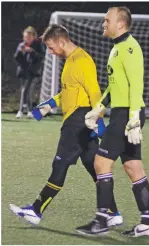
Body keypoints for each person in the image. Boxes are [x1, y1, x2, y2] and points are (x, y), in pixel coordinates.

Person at [9, 24, 123, 228]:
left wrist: (98, 118)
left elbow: (95, 92)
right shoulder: (71, 61)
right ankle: (112, 212)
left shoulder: (82, 60)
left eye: (52, 48)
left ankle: (36, 210)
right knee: (93, 166)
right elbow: (70, 91)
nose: (51, 53)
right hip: (79, 119)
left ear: (62, 41)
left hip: (78, 121)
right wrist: (50, 104)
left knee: (59, 165)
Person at [76, 7, 149, 237]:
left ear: (120, 24)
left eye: (107, 20)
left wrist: (133, 119)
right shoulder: (117, 48)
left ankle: (102, 220)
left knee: (101, 163)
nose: (103, 23)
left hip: (126, 115)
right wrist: (99, 109)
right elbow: (115, 86)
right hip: (123, 113)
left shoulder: (130, 48)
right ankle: (148, 221)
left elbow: (136, 85)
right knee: (133, 167)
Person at [14, 26, 45, 119]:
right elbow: (16, 58)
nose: (27, 39)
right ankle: (30, 111)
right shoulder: (21, 45)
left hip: (33, 72)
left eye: (29, 37)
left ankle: (20, 111)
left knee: (26, 89)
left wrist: (32, 52)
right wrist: (20, 52)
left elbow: (41, 57)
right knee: (27, 91)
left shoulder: (38, 45)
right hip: (23, 72)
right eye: (25, 37)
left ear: (34, 37)